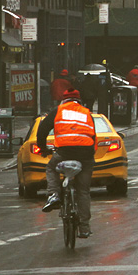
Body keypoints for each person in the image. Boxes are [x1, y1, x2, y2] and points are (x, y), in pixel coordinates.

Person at [38, 88, 96, 238]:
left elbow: (42, 130)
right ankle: (84, 227)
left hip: (64, 151)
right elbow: (93, 136)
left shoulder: (58, 110)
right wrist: (90, 155)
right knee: (83, 191)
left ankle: (53, 194)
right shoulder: (86, 112)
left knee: (51, 168)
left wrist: (43, 148)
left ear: (64, 100)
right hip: (86, 152)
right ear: (79, 100)